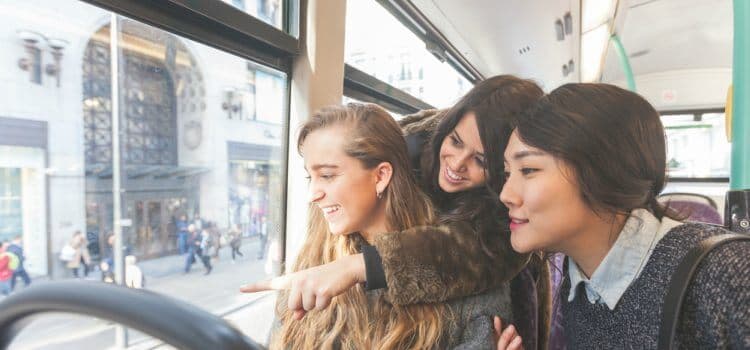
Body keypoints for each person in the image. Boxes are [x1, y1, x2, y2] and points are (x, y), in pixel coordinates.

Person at [242, 75, 547, 348]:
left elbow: (484, 251)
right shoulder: (407, 148)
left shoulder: (491, 243)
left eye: (480, 160)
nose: (456, 163)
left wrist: (359, 267)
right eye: (455, 141)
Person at [498, 83, 750, 348]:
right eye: (507, 173)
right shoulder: (579, 280)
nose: (506, 194)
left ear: (602, 171)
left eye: (527, 170)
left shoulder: (726, 273)